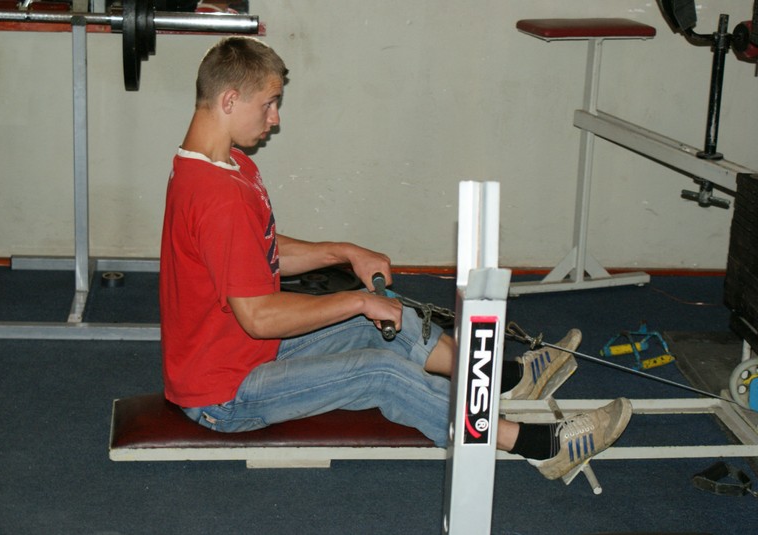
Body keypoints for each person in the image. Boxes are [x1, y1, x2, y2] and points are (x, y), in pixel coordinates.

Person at [159, 36, 632, 482]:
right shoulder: (216, 193)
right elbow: (259, 316)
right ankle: (537, 445)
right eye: (268, 104)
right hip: (224, 394)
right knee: (380, 373)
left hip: (242, 354)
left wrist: (345, 253)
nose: (275, 118)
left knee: (388, 320)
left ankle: (504, 379)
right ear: (230, 100)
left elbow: (257, 250)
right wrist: (358, 299)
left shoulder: (226, 165)